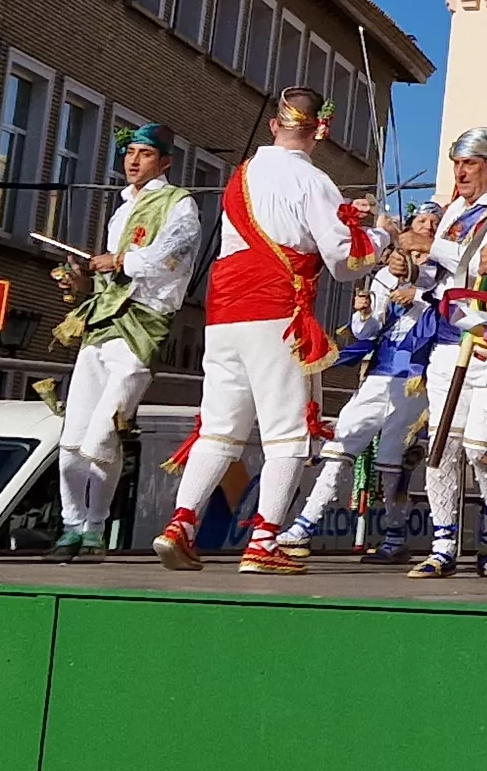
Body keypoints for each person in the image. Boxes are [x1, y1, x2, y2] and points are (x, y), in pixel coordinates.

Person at [155, 87, 382, 575]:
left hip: (223, 315)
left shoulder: (243, 175)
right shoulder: (314, 181)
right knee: (288, 434)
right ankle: (263, 541)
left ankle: (181, 523)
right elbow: (346, 261)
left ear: (274, 126)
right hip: (278, 313)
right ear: (321, 131)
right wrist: (381, 232)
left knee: (218, 427)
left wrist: (343, 219)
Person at [49, 124, 201, 558]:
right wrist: (85, 276)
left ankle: (95, 526)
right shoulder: (121, 210)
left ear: (164, 162)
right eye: (130, 153)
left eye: (145, 154)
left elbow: (173, 254)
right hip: (102, 322)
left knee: (102, 435)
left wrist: (120, 260)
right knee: (72, 438)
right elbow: (114, 273)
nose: (133, 161)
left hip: (140, 326)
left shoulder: (179, 203)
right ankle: (72, 525)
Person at [409, 125, 487, 580]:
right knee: (441, 445)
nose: (460, 173)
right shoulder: (452, 212)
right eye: (457, 164)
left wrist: (431, 244)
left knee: (481, 447)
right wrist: (413, 271)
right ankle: (443, 543)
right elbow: (437, 279)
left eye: (470, 164)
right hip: (446, 342)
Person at [299, 224, 437, 561]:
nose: (412, 258)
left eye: (420, 251)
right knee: (343, 439)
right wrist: (363, 312)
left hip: (415, 379)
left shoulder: (439, 281)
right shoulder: (385, 279)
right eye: (408, 251)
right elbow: (369, 330)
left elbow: (447, 306)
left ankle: (394, 533)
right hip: (379, 373)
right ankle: (304, 525)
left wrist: (416, 293)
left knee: (392, 456)